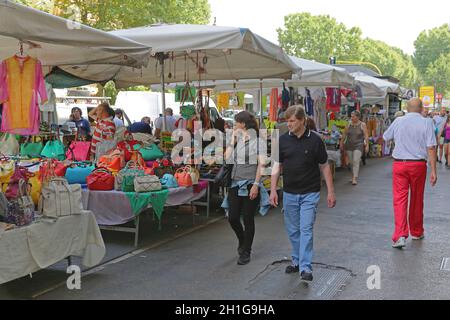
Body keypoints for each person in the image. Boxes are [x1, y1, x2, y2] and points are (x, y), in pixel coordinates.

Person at [269, 105, 336, 282]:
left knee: (306, 229)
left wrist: (331, 191)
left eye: (292, 121)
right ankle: (297, 261)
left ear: (302, 121)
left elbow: (324, 166)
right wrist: (274, 189)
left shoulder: (315, 140)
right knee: (293, 230)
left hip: (310, 193)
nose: (288, 124)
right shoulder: (282, 140)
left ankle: (305, 268)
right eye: (287, 121)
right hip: (290, 193)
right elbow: (277, 166)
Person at [383, 98, 437, 249]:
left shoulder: (399, 121)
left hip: (400, 164)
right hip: (418, 165)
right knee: (417, 198)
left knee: (399, 200)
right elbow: (431, 148)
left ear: (407, 108)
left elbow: (386, 137)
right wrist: (433, 170)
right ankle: (417, 231)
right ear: (421, 109)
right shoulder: (427, 123)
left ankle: (400, 235)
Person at [224, 111, 266, 266]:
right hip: (235, 183)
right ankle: (242, 240)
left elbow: (261, 165)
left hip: (249, 184)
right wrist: (232, 142)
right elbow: (226, 158)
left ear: (243, 124)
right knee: (233, 217)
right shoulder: (237, 140)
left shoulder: (258, 142)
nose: (234, 126)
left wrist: (256, 184)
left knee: (248, 218)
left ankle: (246, 251)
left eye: (236, 123)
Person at [340, 111, 369, 185]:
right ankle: (353, 175)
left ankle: (354, 178)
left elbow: (366, 136)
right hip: (349, 145)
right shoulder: (348, 124)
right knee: (351, 162)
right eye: (351, 116)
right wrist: (341, 143)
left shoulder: (363, 124)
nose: (351, 118)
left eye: (353, 116)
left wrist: (367, 145)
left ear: (358, 117)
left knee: (356, 160)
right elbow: (344, 134)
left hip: (359, 145)